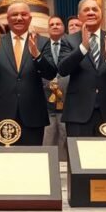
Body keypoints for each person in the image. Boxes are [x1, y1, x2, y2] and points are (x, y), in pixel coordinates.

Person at [0, 2, 57, 145]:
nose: (19, 18)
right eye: (14, 15)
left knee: (32, 160)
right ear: (7, 19)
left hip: (33, 114)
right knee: (4, 162)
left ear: (30, 19)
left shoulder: (42, 42)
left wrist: (36, 55)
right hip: (2, 113)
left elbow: (50, 73)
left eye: (23, 15)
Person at [58, 0, 106, 137]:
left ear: (101, 14)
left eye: (95, 9)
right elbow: (62, 69)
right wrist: (82, 49)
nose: (91, 12)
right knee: (79, 157)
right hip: (78, 114)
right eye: (86, 10)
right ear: (79, 16)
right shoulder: (69, 40)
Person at [39, 15, 69, 158]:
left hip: (68, 102)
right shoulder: (41, 46)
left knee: (66, 138)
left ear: (63, 27)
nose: (55, 26)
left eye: (58, 24)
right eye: (52, 24)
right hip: (46, 102)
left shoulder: (71, 45)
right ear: (48, 29)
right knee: (48, 138)